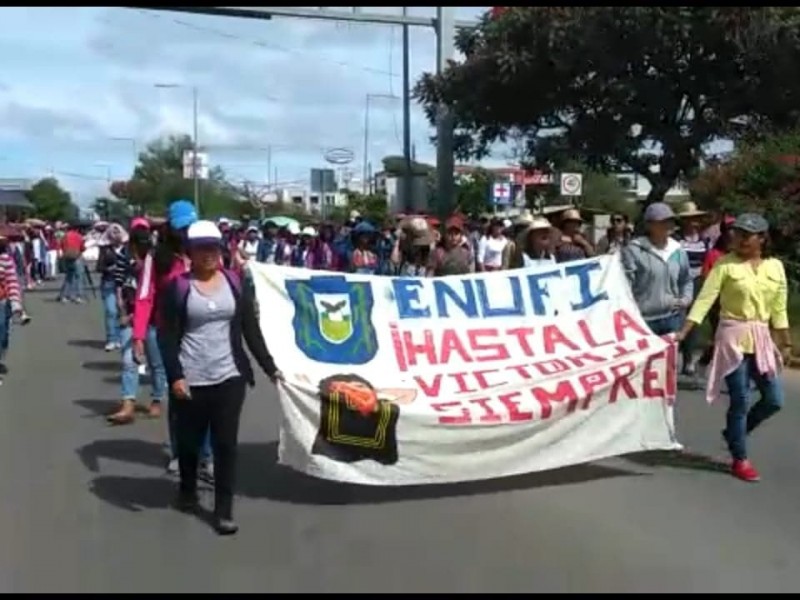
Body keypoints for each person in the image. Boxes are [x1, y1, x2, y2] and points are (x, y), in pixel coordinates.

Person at [159, 220, 282, 535]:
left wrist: (270, 367)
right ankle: (187, 490)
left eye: (213, 248)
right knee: (189, 444)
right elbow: (167, 337)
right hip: (191, 379)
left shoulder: (234, 282)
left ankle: (223, 510)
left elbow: (249, 329)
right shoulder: (178, 287)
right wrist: (175, 376)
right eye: (201, 248)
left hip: (229, 377)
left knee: (226, 446)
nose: (208, 254)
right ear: (190, 252)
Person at [675, 213, 791, 482]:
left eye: (746, 235)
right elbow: (704, 300)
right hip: (732, 337)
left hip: (761, 337)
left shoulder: (774, 267)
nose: (738, 239)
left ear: (761, 238)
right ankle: (740, 458)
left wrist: (784, 342)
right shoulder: (726, 265)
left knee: (774, 400)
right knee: (739, 399)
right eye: (736, 234)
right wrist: (685, 331)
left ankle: (734, 433)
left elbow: (779, 308)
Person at [133, 200, 213, 477]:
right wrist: (138, 336)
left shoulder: (207, 253)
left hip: (202, 333)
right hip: (166, 333)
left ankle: (205, 455)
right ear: (171, 228)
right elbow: (145, 297)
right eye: (182, 227)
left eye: (191, 226)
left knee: (206, 395)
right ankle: (180, 454)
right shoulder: (157, 257)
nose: (187, 232)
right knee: (180, 395)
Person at [107, 219, 168, 425]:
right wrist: (122, 310)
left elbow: (155, 296)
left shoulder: (156, 262)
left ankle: (157, 398)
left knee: (156, 363)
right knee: (129, 360)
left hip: (153, 319)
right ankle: (128, 404)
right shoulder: (124, 258)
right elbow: (119, 284)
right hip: (129, 316)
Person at [621, 202, 693, 336]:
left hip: (672, 318)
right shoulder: (634, 250)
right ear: (649, 225)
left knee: (670, 357)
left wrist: (686, 299)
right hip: (643, 320)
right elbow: (625, 285)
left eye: (670, 220)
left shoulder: (678, 250)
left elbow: (686, 279)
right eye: (662, 221)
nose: (668, 225)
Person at [674, 202, 711, 379]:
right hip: (679, 282)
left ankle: (689, 361)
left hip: (698, 282)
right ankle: (677, 356)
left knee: (694, 320)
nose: (693, 222)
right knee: (679, 320)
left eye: (695, 219)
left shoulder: (704, 240)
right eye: (689, 219)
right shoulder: (675, 238)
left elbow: (708, 261)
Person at [97, 224, 128, 352]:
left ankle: (121, 338)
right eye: (113, 232)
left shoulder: (127, 249)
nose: (116, 235)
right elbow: (99, 267)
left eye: (118, 232)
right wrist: (109, 268)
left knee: (123, 311)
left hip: (124, 283)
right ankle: (111, 339)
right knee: (111, 311)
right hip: (109, 282)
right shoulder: (105, 249)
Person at [0, 232, 23, 385]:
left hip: (2, 301)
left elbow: (12, 281)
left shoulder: (5, 259)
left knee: (3, 336)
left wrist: (15, 301)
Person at [57, 223, 85, 303]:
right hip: (76, 257)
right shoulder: (79, 236)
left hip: (67, 257)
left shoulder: (65, 236)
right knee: (78, 277)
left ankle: (64, 296)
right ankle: (78, 296)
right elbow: (82, 247)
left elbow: (61, 246)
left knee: (69, 277)